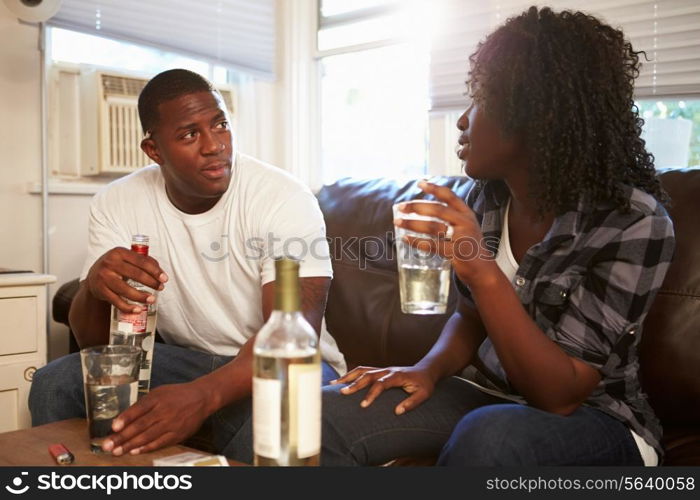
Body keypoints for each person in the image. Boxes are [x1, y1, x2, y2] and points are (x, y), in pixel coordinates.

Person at [321, 6, 674, 466]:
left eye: (481, 99)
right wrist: (425, 370)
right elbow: (469, 319)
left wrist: (483, 271)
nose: (463, 121)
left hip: (596, 420)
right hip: (486, 396)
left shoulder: (634, 223)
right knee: (324, 414)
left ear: (535, 114)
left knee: (493, 439)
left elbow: (560, 395)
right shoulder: (487, 198)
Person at [29, 68, 346, 462]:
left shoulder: (282, 197)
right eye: (189, 134)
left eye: (220, 125)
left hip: (293, 367)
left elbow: (292, 338)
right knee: (54, 382)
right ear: (154, 150)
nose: (215, 146)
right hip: (191, 361)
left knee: (273, 420)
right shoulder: (117, 203)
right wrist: (94, 286)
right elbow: (97, 345)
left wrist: (202, 397)